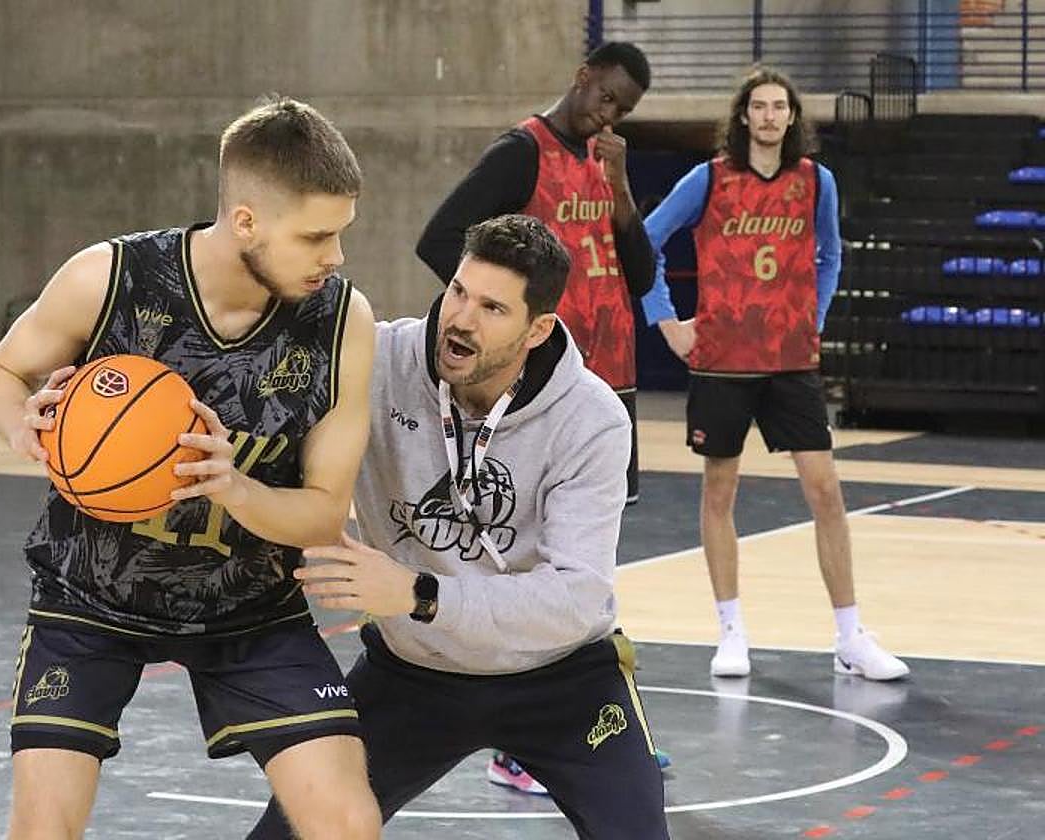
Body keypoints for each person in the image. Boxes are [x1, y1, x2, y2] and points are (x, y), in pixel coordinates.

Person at [0, 97, 382, 839]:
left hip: (250, 608)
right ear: (246, 221)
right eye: (316, 236)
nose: (336, 257)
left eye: (340, 233)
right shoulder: (110, 278)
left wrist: (234, 486)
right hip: (90, 596)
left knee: (348, 822)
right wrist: (22, 426)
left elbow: (324, 514)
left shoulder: (343, 322)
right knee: (43, 827)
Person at [248, 214, 670, 840]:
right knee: (292, 832)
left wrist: (420, 593)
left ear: (537, 329)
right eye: (459, 292)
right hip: (412, 672)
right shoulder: (377, 362)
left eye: (493, 308)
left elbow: (577, 597)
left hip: (563, 678)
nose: (462, 319)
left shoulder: (591, 419)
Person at [641, 66, 910, 681]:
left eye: (779, 107)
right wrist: (667, 321)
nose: (768, 116)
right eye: (759, 106)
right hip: (723, 360)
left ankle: (850, 636)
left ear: (792, 117)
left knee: (826, 491)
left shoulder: (816, 182)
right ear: (743, 116)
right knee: (719, 492)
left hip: (790, 360)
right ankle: (731, 632)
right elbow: (645, 241)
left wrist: (815, 316)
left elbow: (831, 255)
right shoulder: (709, 178)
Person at [416, 41, 655, 509]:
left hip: (612, 366)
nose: (609, 115)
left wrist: (621, 188)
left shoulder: (606, 163)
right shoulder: (522, 152)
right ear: (583, 77)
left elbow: (641, 277)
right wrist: (501, 314)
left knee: (603, 520)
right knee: (528, 514)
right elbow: (438, 240)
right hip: (548, 368)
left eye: (622, 111)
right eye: (606, 97)